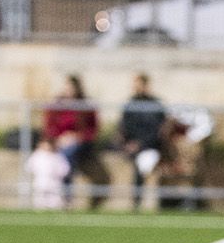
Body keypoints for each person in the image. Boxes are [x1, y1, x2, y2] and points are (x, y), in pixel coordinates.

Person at [42, 74, 109, 209]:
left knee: (67, 156)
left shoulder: (85, 106)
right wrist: (55, 140)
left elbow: (93, 130)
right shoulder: (57, 105)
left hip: (80, 146)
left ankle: (68, 197)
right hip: (58, 145)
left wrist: (77, 137)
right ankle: (54, 199)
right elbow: (49, 127)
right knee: (55, 158)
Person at [117, 72, 165, 210]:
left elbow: (158, 131)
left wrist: (141, 144)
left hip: (149, 147)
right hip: (131, 146)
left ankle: (136, 203)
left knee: (141, 164)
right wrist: (126, 143)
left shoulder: (155, 105)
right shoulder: (130, 104)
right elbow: (124, 127)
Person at [26, 135, 71, 210]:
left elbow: (65, 170)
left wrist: (57, 174)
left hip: (54, 183)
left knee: (55, 202)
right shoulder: (37, 155)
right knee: (39, 203)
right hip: (40, 182)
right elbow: (29, 167)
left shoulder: (58, 156)